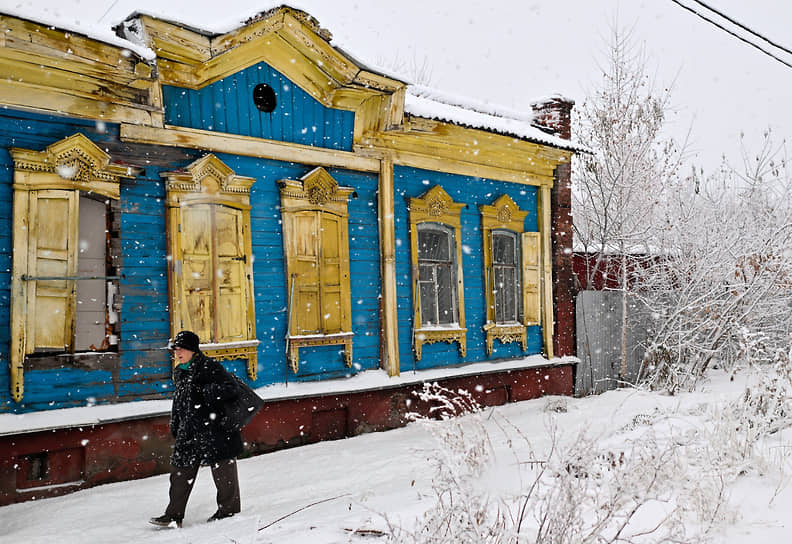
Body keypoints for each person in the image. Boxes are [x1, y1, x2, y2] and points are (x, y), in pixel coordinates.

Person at [149, 330, 243, 528]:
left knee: (223, 471)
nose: (178, 352)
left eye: (182, 349)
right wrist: (175, 422)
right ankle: (174, 515)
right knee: (180, 473)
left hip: (214, 429)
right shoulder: (180, 371)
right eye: (176, 349)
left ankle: (229, 511)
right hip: (188, 430)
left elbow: (231, 389)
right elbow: (179, 401)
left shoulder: (209, 367)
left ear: (193, 350)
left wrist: (207, 391)